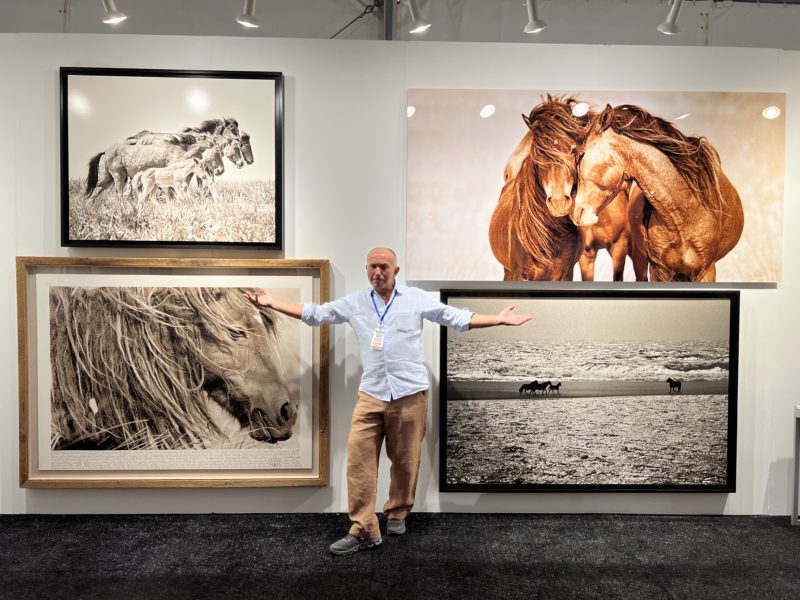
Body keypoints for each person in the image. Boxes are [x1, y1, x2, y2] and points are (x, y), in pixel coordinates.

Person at [244, 247, 532, 555]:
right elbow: (317, 313)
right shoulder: (355, 303)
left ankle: (398, 511)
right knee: (358, 461)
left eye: (384, 267)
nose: (378, 272)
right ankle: (364, 528)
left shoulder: (415, 299)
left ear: (396, 271)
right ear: (366, 270)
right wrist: (273, 302)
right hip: (371, 394)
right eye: (372, 267)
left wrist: (499, 320)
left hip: (410, 394)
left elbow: (456, 318)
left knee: (405, 460)